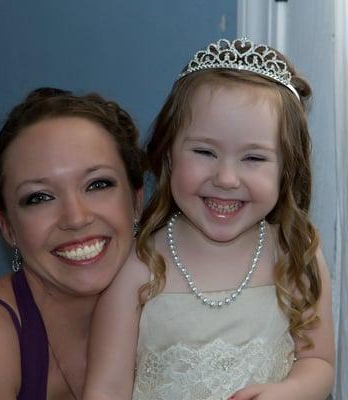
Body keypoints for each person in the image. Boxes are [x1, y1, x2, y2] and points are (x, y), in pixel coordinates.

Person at [83, 38, 335, 400]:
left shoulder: (296, 255)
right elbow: (105, 390)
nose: (226, 178)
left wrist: (292, 390)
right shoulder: (138, 267)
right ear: (168, 155)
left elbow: (319, 361)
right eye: (204, 151)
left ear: (286, 169)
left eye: (254, 158)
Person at [0, 87, 144, 400]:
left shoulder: (180, 307)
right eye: (39, 197)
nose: (76, 218)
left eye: (97, 184)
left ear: (136, 201)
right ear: (8, 227)